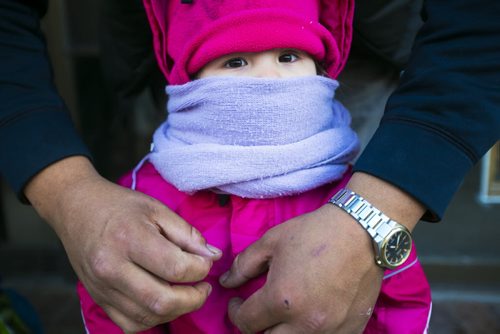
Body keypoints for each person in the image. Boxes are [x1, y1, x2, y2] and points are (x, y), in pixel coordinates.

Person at [1, 0, 499, 333]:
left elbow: (403, 300)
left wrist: (375, 217)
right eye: (236, 62)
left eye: (287, 56)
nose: (266, 78)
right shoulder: (146, 192)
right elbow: (116, 294)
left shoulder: (350, 196)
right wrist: (67, 192)